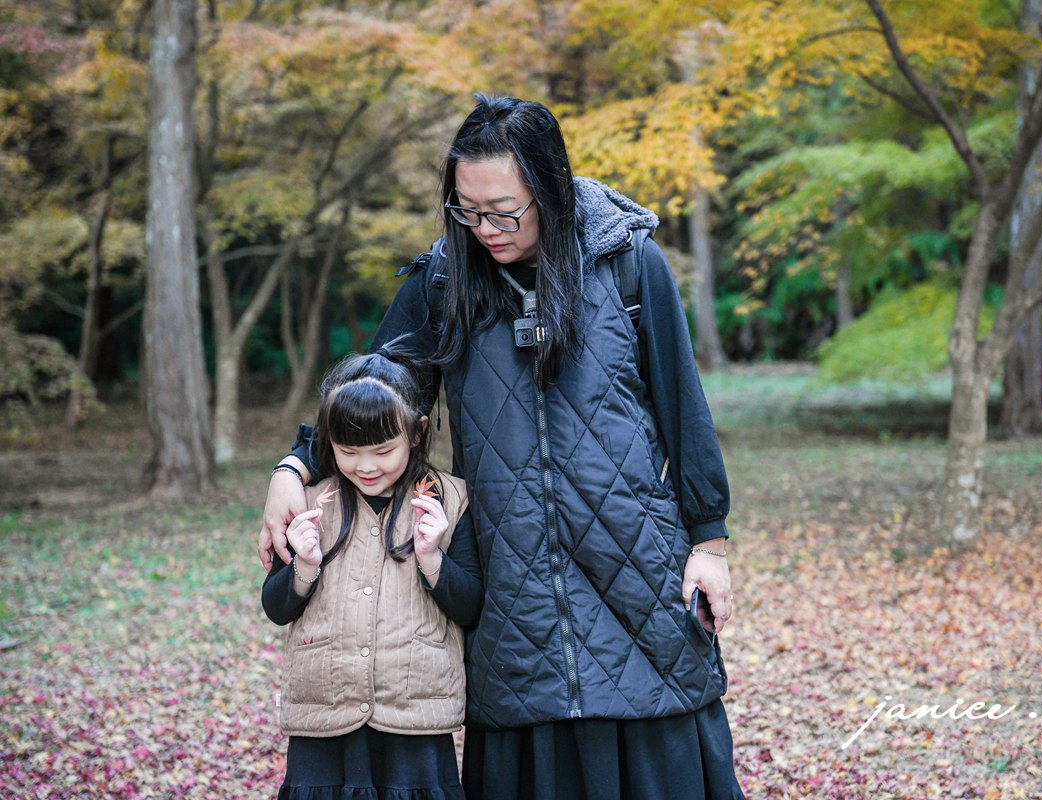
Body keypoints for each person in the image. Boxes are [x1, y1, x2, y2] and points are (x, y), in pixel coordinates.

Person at [259, 93, 743, 799]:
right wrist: (295, 465)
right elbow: (370, 398)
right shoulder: (443, 281)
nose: (485, 228)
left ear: (549, 191)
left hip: (636, 570)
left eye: (504, 210)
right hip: (513, 588)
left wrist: (710, 541)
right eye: (467, 209)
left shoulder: (629, 265)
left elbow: (683, 408)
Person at [261, 345, 481, 800]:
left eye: (383, 451)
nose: (365, 466)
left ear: (417, 433)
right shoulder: (311, 500)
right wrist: (303, 566)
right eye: (347, 451)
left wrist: (431, 557)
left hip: (414, 715)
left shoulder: (453, 501)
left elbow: (471, 603)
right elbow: (276, 607)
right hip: (324, 711)